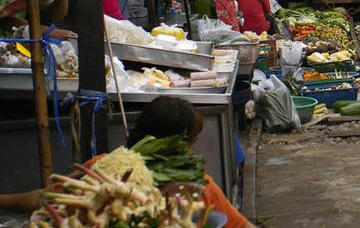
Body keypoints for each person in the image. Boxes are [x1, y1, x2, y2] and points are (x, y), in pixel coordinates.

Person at [0, 96, 254, 228]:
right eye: (192, 140)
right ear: (179, 142)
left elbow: (44, 198)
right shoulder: (197, 187)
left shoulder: (101, 164)